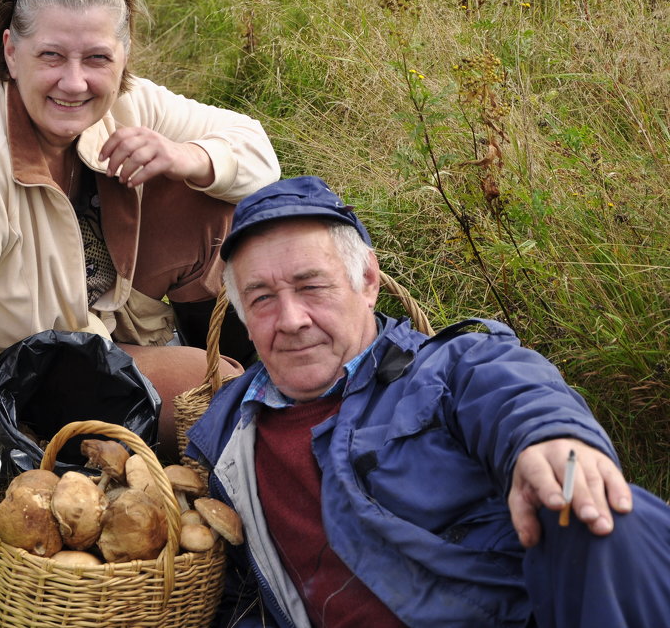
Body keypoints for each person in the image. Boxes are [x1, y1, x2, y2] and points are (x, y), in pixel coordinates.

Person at [185, 175, 670, 628]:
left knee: (605, 516)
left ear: (368, 282)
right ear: (244, 316)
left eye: (312, 286)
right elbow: (240, 598)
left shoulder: (443, 368)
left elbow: (510, 389)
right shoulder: (225, 436)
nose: (291, 319)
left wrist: (550, 438)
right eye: (262, 297)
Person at [0, 0, 280, 447]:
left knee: (213, 196)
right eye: (51, 56)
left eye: (97, 58)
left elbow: (258, 157)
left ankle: (222, 362)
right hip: (13, 372)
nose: (75, 82)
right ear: (12, 52)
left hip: (94, 317)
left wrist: (184, 156)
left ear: (123, 57)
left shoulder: (126, 101)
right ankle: (219, 383)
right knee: (221, 396)